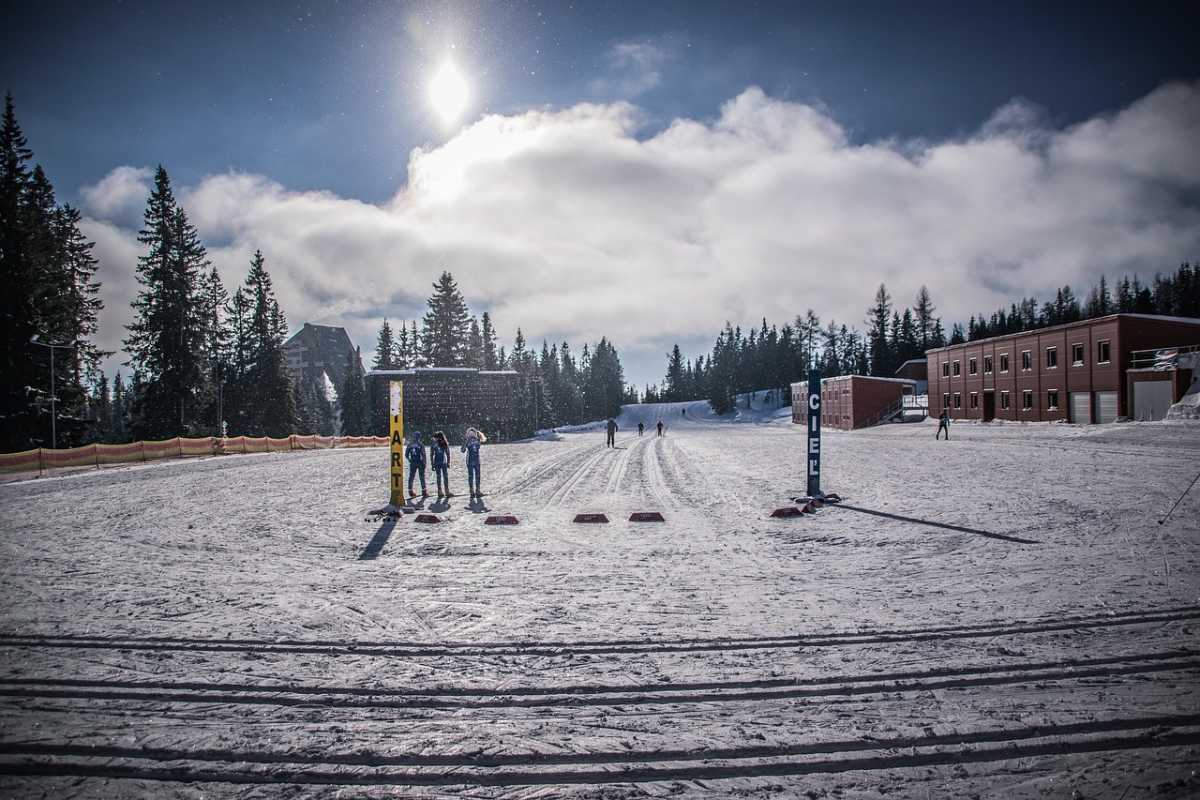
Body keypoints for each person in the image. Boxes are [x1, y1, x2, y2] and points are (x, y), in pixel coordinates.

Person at [462, 427, 487, 498]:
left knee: (477, 476)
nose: (471, 434)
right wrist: (466, 441)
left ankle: (477, 490)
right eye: (470, 432)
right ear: (468, 434)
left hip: (476, 460)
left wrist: (479, 437)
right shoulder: (467, 440)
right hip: (469, 460)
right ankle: (471, 491)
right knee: (471, 476)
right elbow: (462, 450)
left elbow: (480, 444)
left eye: (472, 432)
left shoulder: (477, 440)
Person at [405, 431, 428, 497]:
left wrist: (410, 460)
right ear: (419, 437)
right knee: (421, 477)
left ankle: (410, 491)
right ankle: (424, 491)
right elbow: (423, 454)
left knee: (411, 477)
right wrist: (425, 463)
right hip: (420, 462)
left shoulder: (410, 444)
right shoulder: (420, 444)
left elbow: (406, 454)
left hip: (413, 462)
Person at [430, 431, 451, 497]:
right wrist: (448, 462)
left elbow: (431, 455)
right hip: (443, 462)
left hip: (436, 462)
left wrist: (432, 464)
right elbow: (448, 453)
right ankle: (447, 491)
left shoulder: (433, 444)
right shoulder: (444, 443)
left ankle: (440, 492)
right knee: (445, 477)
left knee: (438, 477)